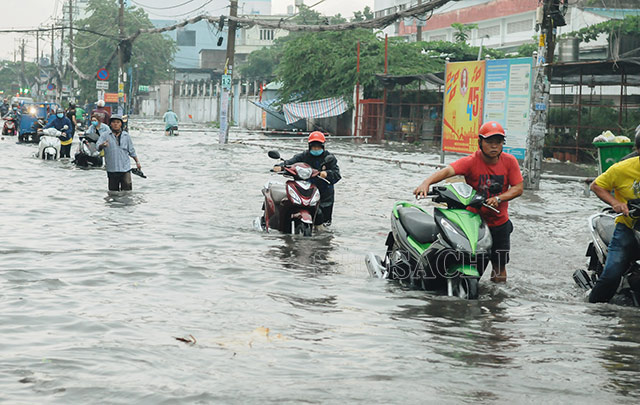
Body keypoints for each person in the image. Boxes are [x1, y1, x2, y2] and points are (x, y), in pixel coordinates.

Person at [414, 121, 524, 283]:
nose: (494, 146)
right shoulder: (471, 161)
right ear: (480, 142)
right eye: (489, 142)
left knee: (499, 266)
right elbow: (447, 171)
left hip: (500, 223)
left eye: (498, 142)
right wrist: (426, 183)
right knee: (471, 263)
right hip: (474, 223)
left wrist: (499, 198)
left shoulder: (510, 162)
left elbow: (518, 188)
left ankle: (497, 301)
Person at [588, 134, 640, 303]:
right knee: (611, 275)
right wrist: (615, 202)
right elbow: (596, 185)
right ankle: (592, 309)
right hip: (628, 228)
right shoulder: (622, 168)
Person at [273, 131, 341, 226]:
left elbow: (337, 174)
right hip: (305, 188)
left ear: (323, 146)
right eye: (313, 146)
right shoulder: (304, 156)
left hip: (324, 192)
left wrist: (326, 173)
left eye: (318, 146)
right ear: (309, 146)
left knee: (324, 223)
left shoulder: (329, 158)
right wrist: (280, 166)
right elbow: (290, 162)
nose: (316, 149)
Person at [97, 114, 141, 192]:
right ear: (110, 124)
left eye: (118, 122)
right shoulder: (105, 135)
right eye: (113, 122)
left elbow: (132, 151)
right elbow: (97, 147)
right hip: (112, 169)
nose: (116, 124)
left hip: (125, 169)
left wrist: (137, 162)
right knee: (113, 192)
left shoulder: (126, 136)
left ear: (121, 124)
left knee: (127, 191)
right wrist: (102, 145)